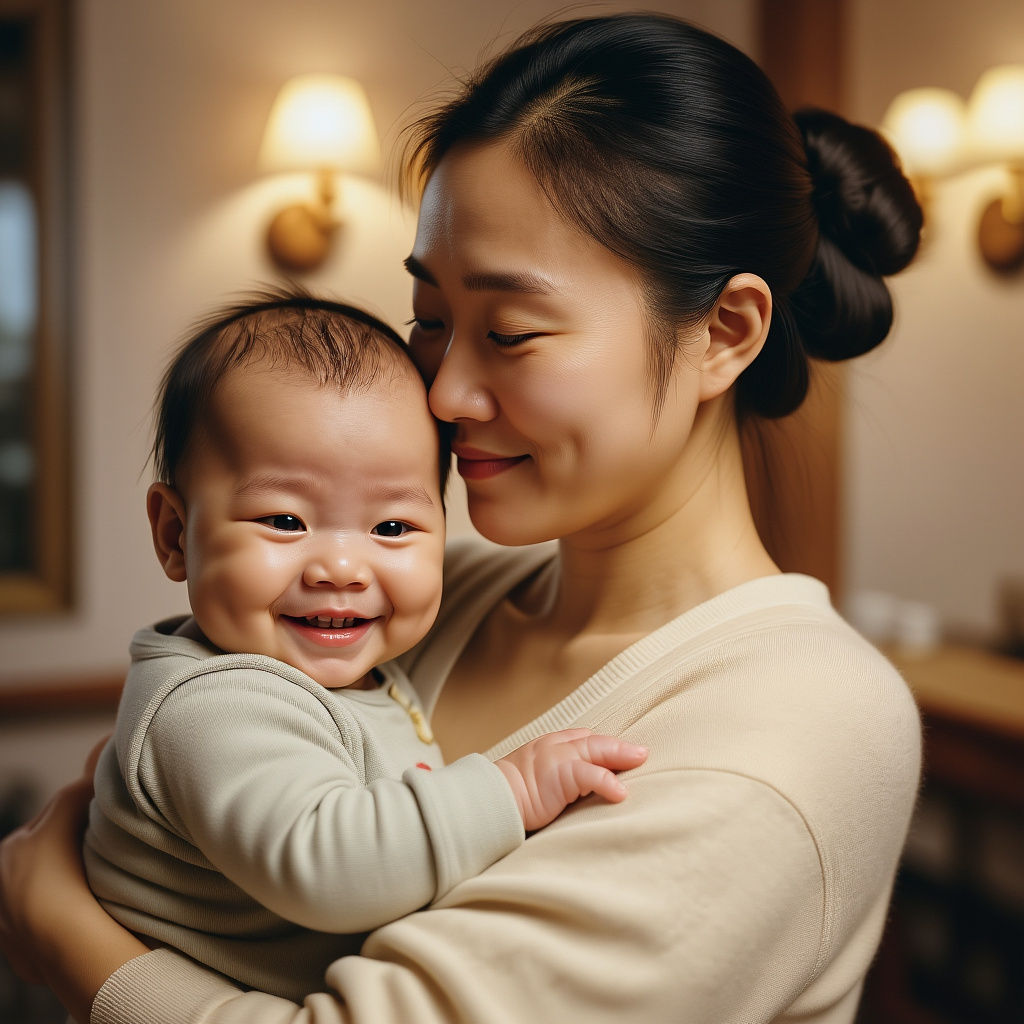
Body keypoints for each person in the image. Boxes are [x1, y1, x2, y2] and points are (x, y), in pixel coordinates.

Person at [0, 12, 923, 1024]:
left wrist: (65, 935)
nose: (440, 395)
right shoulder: (428, 592)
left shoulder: (796, 728)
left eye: (512, 331)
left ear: (723, 332)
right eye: (430, 321)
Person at [81, 292, 648, 1002]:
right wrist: (511, 790)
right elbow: (325, 864)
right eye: (285, 519)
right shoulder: (217, 702)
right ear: (174, 534)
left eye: (392, 529)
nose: (342, 568)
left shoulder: (357, 670)